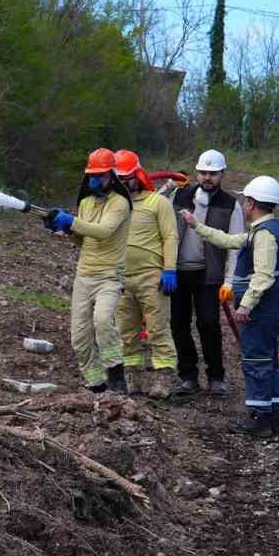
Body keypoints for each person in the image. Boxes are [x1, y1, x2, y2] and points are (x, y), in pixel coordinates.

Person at [180, 175, 279, 438]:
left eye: (246, 200)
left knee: (256, 362)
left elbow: (263, 277)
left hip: (262, 312)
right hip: (270, 311)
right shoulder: (266, 229)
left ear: (252, 203)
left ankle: (259, 419)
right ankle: (276, 415)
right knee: (267, 361)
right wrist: (197, 225)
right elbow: (228, 240)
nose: (243, 203)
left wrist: (246, 306)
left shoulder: (264, 235)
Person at [45, 149, 132, 394]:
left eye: (100, 175)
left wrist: (70, 221)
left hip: (109, 276)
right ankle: (96, 384)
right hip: (84, 276)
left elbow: (103, 231)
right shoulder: (85, 202)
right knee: (79, 337)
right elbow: (84, 240)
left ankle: (117, 378)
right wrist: (65, 230)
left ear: (111, 176)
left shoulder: (120, 203)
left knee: (103, 320)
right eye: (92, 175)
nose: (95, 180)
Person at [170, 149, 245, 396]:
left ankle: (216, 377)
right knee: (179, 325)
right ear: (197, 173)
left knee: (208, 324)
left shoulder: (231, 205)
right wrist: (169, 185)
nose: (207, 177)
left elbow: (235, 245)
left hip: (208, 274)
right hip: (177, 272)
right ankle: (188, 376)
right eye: (203, 172)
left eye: (213, 173)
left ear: (222, 174)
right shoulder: (179, 196)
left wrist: (229, 281)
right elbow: (151, 209)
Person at [108, 150, 180, 399]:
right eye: (118, 179)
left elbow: (170, 237)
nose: (122, 183)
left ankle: (163, 378)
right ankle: (132, 377)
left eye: (126, 178)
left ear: (137, 175)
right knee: (126, 332)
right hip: (121, 279)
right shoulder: (115, 206)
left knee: (158, 329)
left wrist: (169, 269)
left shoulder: (157, 203)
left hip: (152, 277)